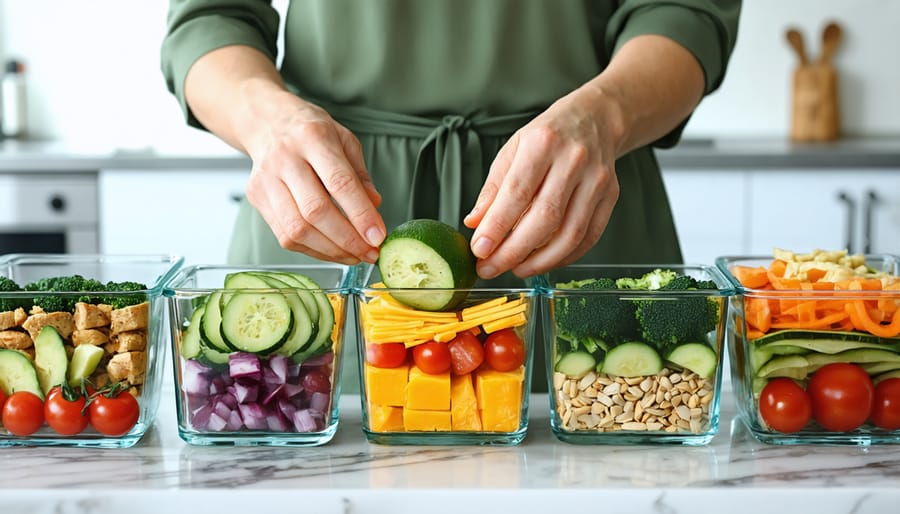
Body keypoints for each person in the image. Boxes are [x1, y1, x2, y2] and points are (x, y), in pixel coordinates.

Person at [161, 0, 741, 392]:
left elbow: (685, 14)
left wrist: (608, 115)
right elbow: (210, 17)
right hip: (327, 197)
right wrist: (267, 122)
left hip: (572, 194)